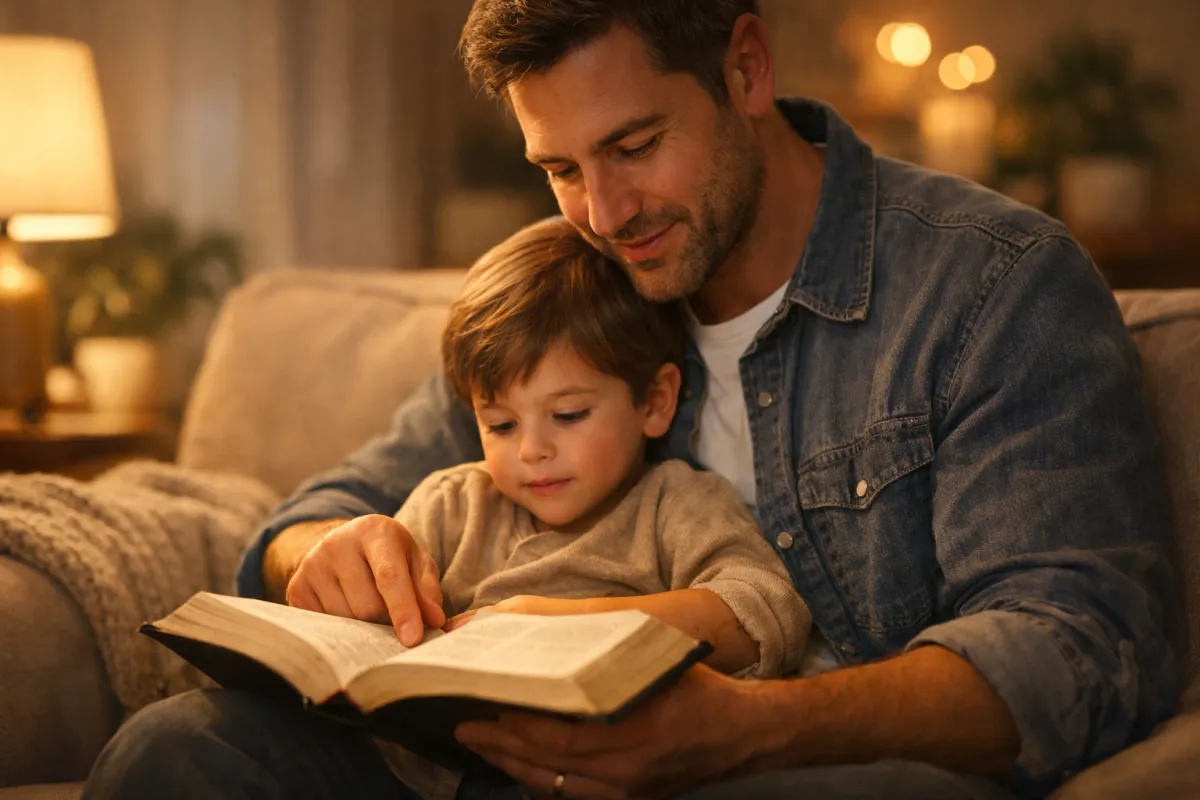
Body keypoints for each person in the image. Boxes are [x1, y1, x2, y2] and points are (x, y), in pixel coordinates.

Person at [86, 1, 1177, 799]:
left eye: (634, 146)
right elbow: (321, 506)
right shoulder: (575, 283)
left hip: (798, 766)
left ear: (746, 66)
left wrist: (742, 730)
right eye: (559, 167)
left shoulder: (990, 285)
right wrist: (322, 549)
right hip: (497, 761)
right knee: (179, 746)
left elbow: (1075, 649)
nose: (602, 211)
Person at [373, 216, 812, 799]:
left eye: (569, 415)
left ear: (654, 402)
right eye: (500, 423)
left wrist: (551, 628)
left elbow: (766, 611)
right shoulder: (452, 504)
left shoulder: (674, 504)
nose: (532, 450)